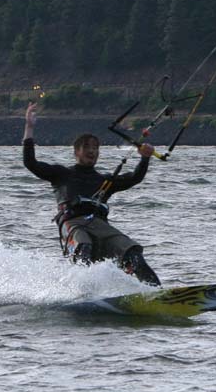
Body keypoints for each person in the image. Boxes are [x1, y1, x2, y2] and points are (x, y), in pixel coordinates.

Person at [22, 102, 161, 286]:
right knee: (83, 245)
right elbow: (30, 162)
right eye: (87, 147)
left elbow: (134, 178)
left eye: (95, 148)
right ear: (76, 152)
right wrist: (29, 127)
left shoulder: (105, 181)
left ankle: (156, 293)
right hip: (73, 225)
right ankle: (83, 291)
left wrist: (145, 158)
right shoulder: (62, 174)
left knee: (133, 252)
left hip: (100, 227)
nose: (92, 151)